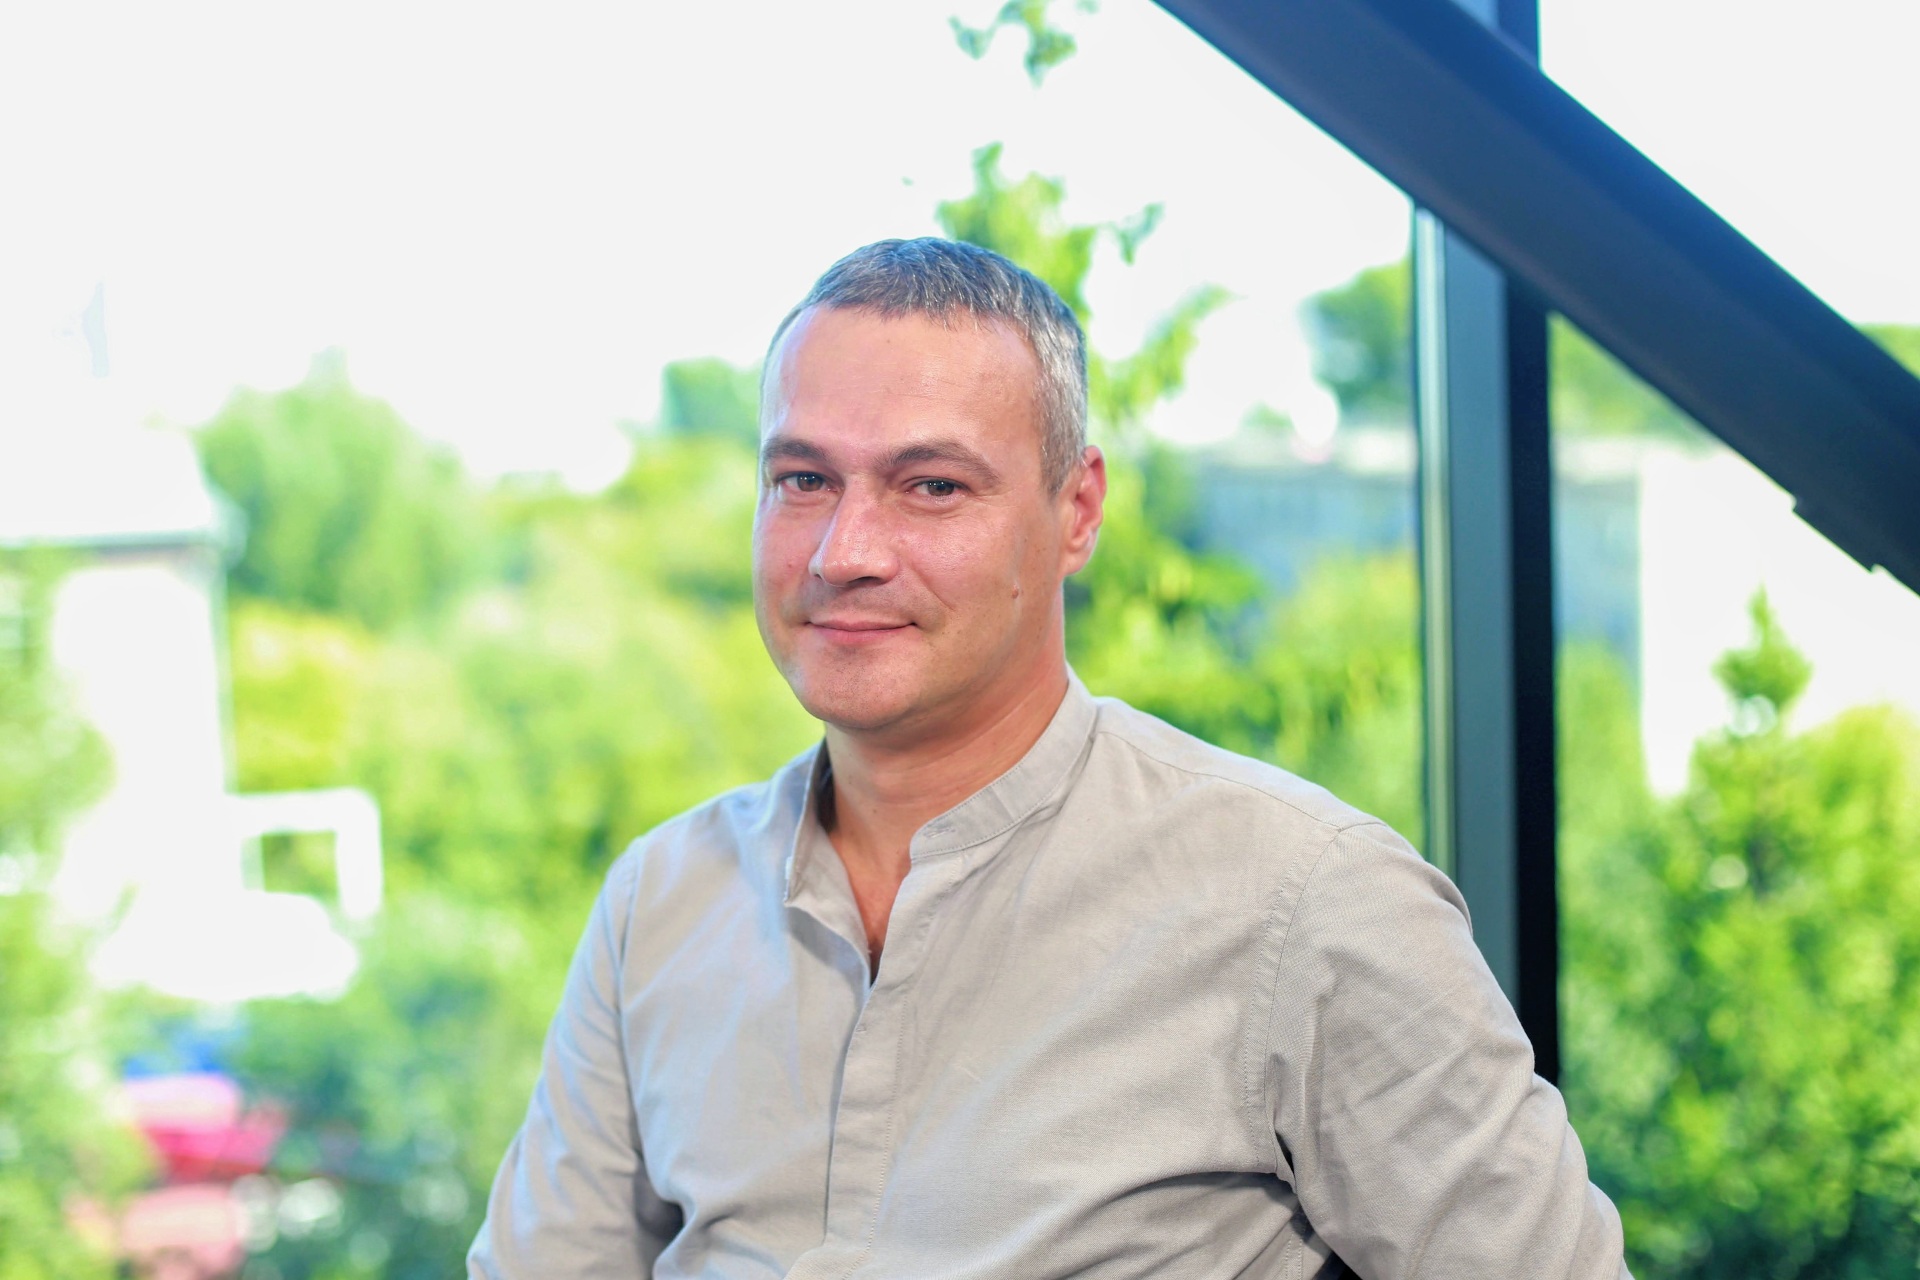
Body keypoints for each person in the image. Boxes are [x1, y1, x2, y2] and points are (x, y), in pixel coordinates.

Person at [468, 238, 1630, 1279]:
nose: (844, 550)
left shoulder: (1308, 899)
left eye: (931, 485)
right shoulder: (659, 902)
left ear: (1077, 511)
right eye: (803, 479)